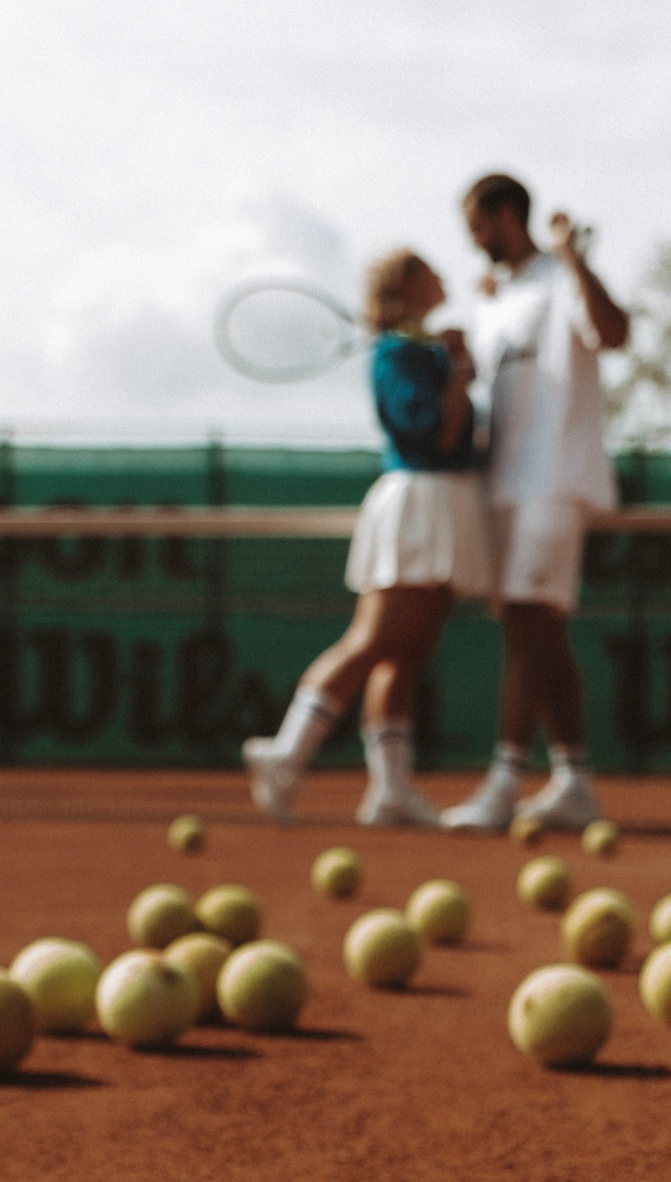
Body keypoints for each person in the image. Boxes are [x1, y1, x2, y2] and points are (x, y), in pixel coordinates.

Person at [243, 249, 486, 826]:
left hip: (447, 503)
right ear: (406, 285)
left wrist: (453, 365)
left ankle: (390, 789)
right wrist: (459, 374)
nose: (443, 275)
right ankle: (285, 754)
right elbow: (435, 435)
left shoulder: (418, 351)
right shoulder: (398, 355)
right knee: (374, 638)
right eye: (431, 269)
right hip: (418, 500)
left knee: (409, 652)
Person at [440, 172, 632, 833]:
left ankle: (507, 781)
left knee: (529, 619)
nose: (473, 240)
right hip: (501, 482)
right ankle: (571, 780)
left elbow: (613, 333)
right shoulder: (495, 298)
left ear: (507, 214)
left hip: (556, 475)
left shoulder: (559, 276)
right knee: (527, 627)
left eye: (477, 224)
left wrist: (574, 256)